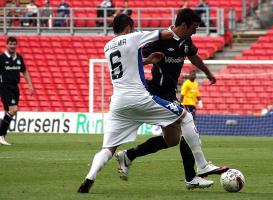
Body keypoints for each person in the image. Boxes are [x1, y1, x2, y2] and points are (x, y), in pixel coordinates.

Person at [77, 13, 214, 193]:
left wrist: (148, 61)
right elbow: (165, 34)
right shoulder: (133, 38)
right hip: (140, 98)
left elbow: (128, 62)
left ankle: (90, 176)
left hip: (118, 103)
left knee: (108, 149)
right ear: (128, 28)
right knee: (186, 117)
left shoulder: (108, 47)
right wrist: (174, 31)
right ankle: (201, 167)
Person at [115, 8, 228, 190]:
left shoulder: (185, 40)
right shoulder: (160, 39)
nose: (195, 31)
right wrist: (149, 60)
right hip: (155, 93)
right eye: (194, 28)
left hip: (168, 93)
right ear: (183, 25)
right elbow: (134, 60)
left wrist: (207, 73)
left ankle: (128, 155)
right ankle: (197, 172)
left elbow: (193, 56)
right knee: (187, 120)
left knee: (173, 139)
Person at [0, 36, 34, 145]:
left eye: (14, 44)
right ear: (7, 45)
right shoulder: (2, 58)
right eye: (10, 44)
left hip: (15, 87)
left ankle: (2, 136)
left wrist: (30, 85)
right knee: (13, 109)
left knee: (9, 112)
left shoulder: (19, 58)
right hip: (5, 86)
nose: (12, 46)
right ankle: (0, 135)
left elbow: (24, 71)